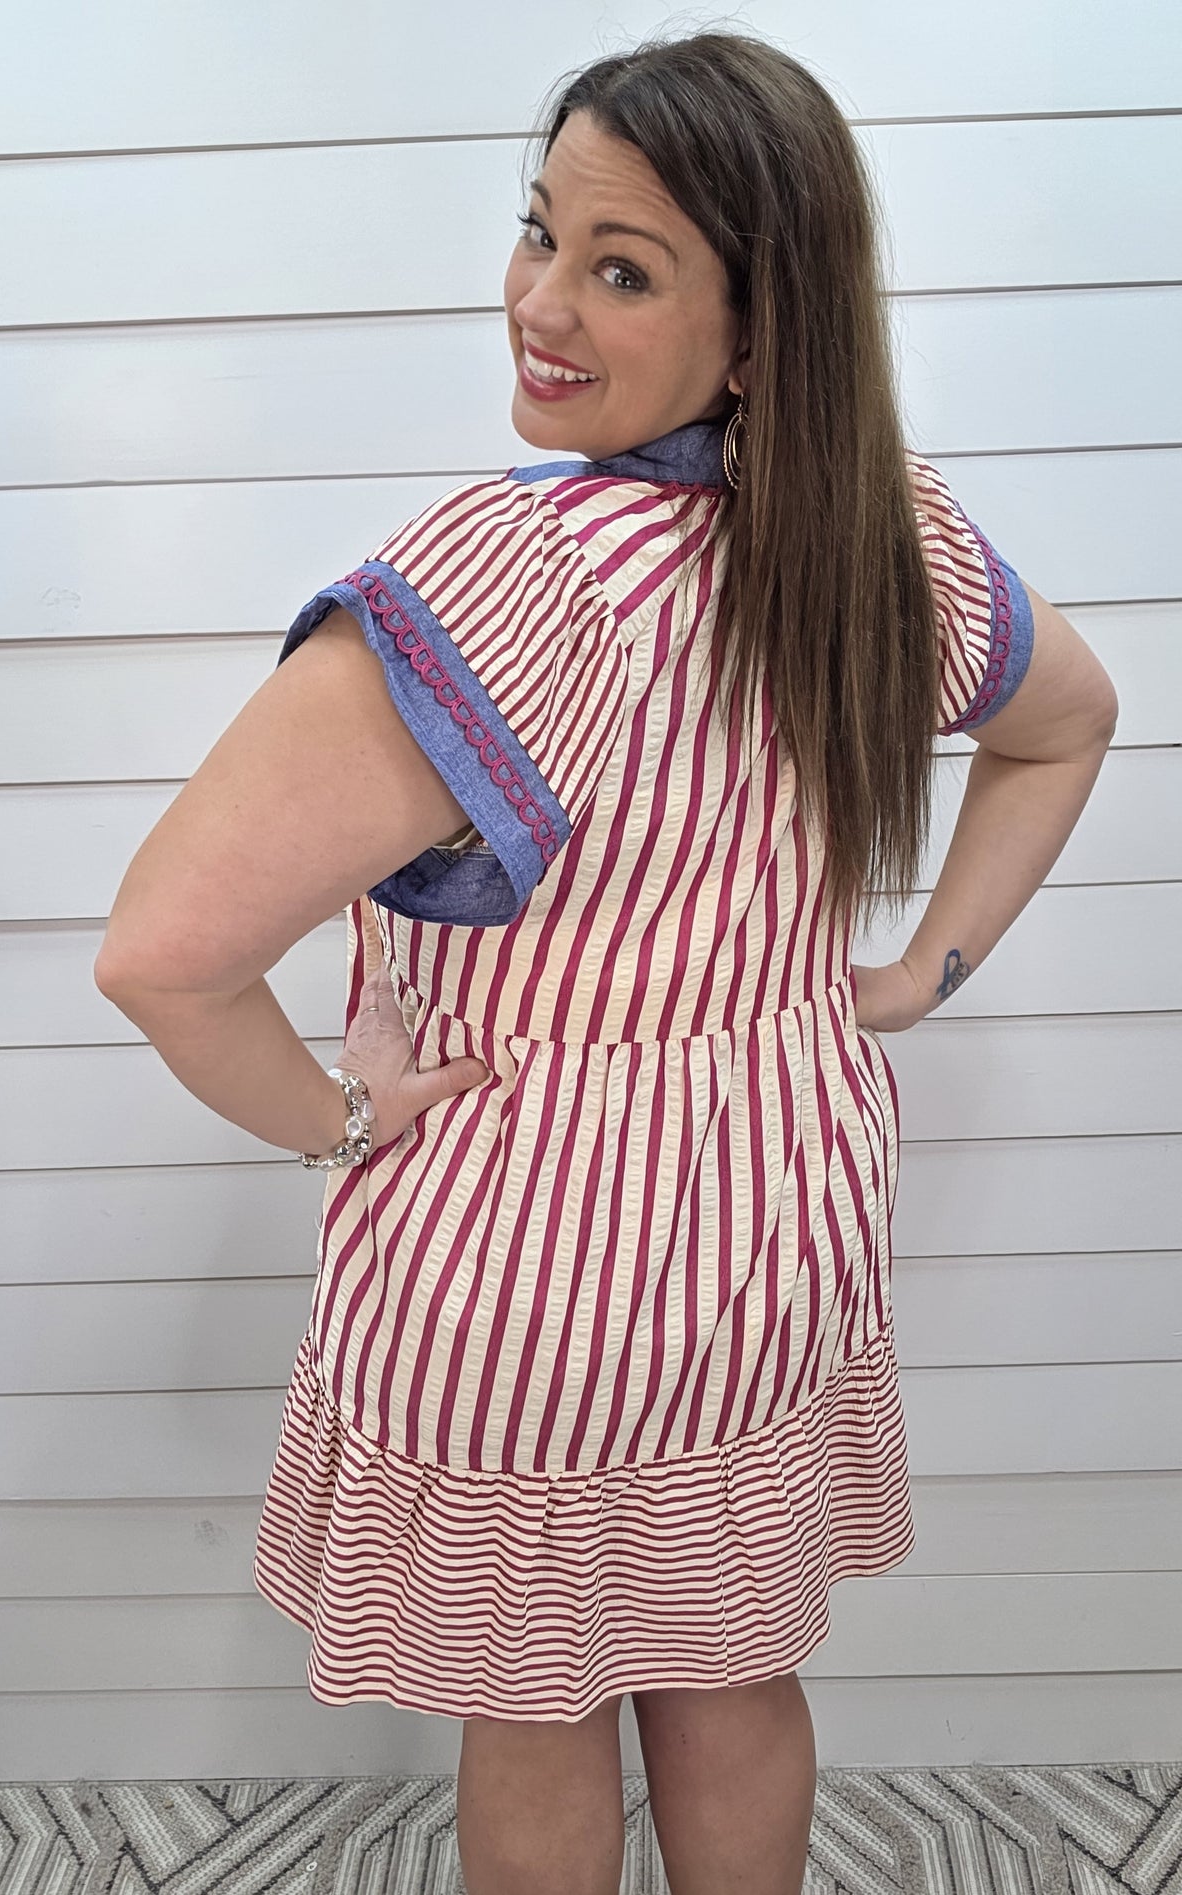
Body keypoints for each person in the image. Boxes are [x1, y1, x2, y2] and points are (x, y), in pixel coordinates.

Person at [94, 28, 1119, 1895]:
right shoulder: (890, 534)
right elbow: (1068, 722)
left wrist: (333, 1118)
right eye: (539, 231)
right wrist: (908, 980)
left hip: (519, 1275)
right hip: (776, 1234)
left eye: (620, 265)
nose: (539, 302)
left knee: (540, 1703)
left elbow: (162, 956)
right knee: (734, 1676)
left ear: (759, 330)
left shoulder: (510, 581)